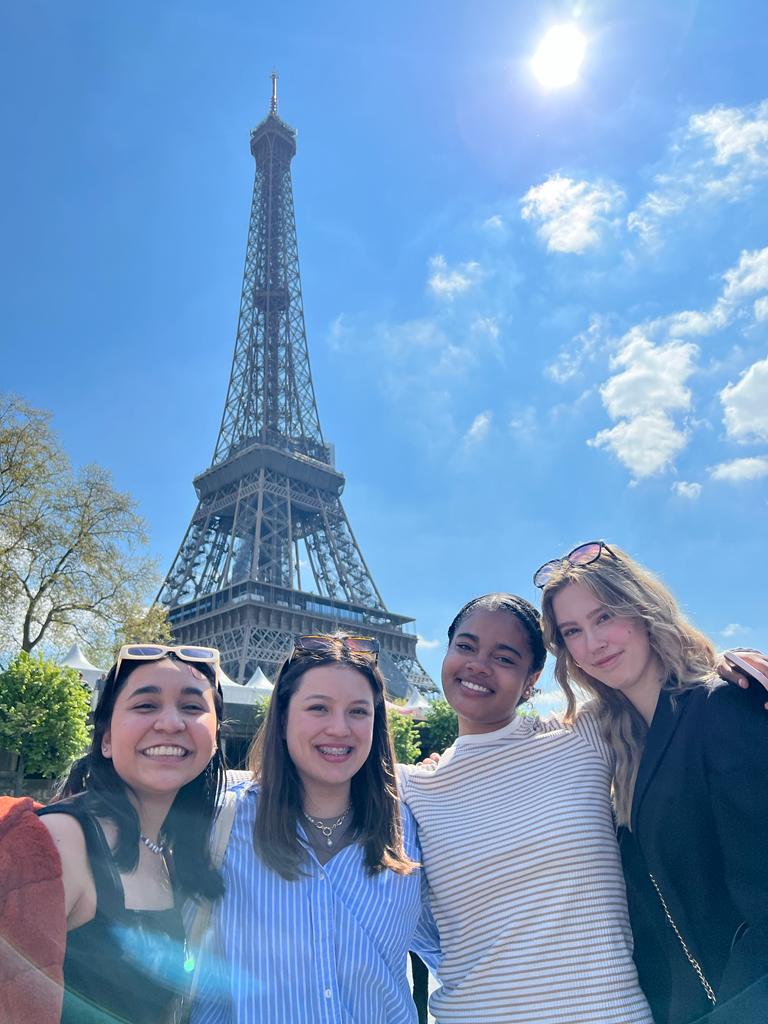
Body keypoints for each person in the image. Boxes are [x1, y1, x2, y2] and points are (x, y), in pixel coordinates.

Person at [538, 541, 768, 1024]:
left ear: (643, 610)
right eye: (572, 632)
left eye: (604, 617)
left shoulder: (722, 707)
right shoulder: (616, 744)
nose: (592, 644)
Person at [399, 593, 654, 1024]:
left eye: (504, 657)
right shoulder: (412, 787)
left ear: (532, 679)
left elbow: (669, 685)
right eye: (465, 646)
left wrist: (733, 670)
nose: (478, 664)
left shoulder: (584, 735)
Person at [189, 634, 440, 1024]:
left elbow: (462, 956)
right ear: (284, 717)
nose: (339, 728)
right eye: (319, 707)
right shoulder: (222, 822)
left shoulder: (412, 831)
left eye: (359, 711)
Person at [1, 643, 226, 1024]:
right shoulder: (57, 842)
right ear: (105, 740)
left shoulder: (169, 852)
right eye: (145, 705)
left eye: (192, 707)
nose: (170, 723)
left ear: (216, 736)